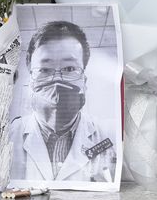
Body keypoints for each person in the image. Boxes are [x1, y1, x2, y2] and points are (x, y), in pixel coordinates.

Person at [9, 21, 116, 183]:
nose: (57, 80)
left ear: (84, 82)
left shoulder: (109, 135)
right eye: (44, 70)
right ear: (31, 81)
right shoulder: (10, 135)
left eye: (69, 69)